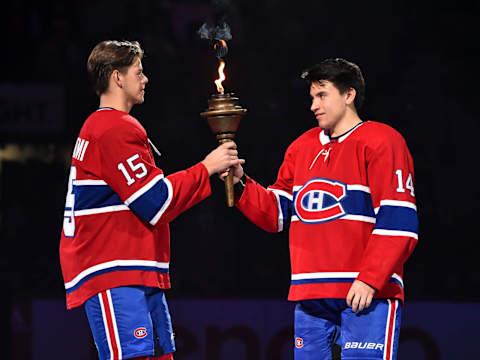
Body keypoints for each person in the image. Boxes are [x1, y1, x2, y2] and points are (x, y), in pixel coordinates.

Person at [59, 40, 244, 360]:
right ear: (117, 78)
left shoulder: (103, 126)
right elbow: (155, 202)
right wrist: (207, 167)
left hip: (132, 268)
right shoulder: (112, 128)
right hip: (115, 270)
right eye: (139, 72)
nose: (145, 80)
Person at [222, 58, 418, 360]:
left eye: (322, 94)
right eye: (312, 97)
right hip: (310, 293)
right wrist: (241, 183)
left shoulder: (383, 141)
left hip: (366, 292)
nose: (314, 105)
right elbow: (277, 214)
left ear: (349, 94)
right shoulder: (300, 148)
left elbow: (399, 220)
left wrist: (370, 278)